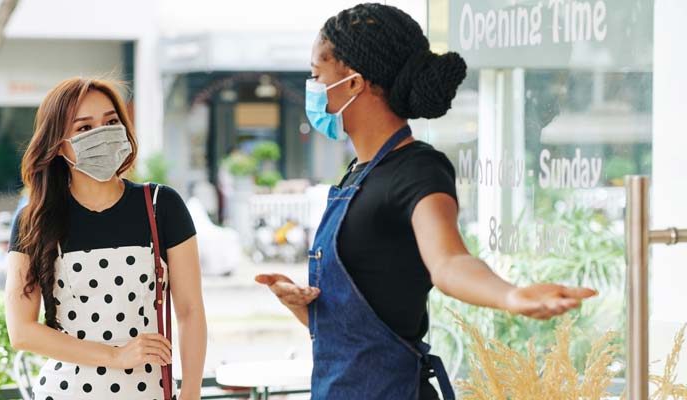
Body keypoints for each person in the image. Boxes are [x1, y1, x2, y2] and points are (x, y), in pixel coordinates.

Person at [255, 4, 597, 399]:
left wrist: (510, 295)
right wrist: (305, 307)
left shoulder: (418, 170)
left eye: (317, 75)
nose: (312, 88)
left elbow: (449, 261)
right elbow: (367, 324)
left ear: (353, 82)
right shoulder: (357, 173)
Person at [4, 78, 207, 400]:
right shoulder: (35, 219)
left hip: (148, 391)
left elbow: (190, 310)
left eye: (111, 122)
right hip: (64, 391)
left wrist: (191, 392)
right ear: (57, 144)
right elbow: (21, 331)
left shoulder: (161, 205)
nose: (102, 134)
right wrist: (115, 356)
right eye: (84, 128)